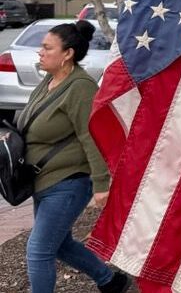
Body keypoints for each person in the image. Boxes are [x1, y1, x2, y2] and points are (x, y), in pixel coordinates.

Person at [18, 20, 130, 293]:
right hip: (43, 181)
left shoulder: (80, 87)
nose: (40, 52)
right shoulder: (50, 80)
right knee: (61, 244)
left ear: (67, 53)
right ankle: (110, 281)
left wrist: (102, 184)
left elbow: (90, 136)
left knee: (39, 250)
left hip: (69, 182)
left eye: (47, 47)